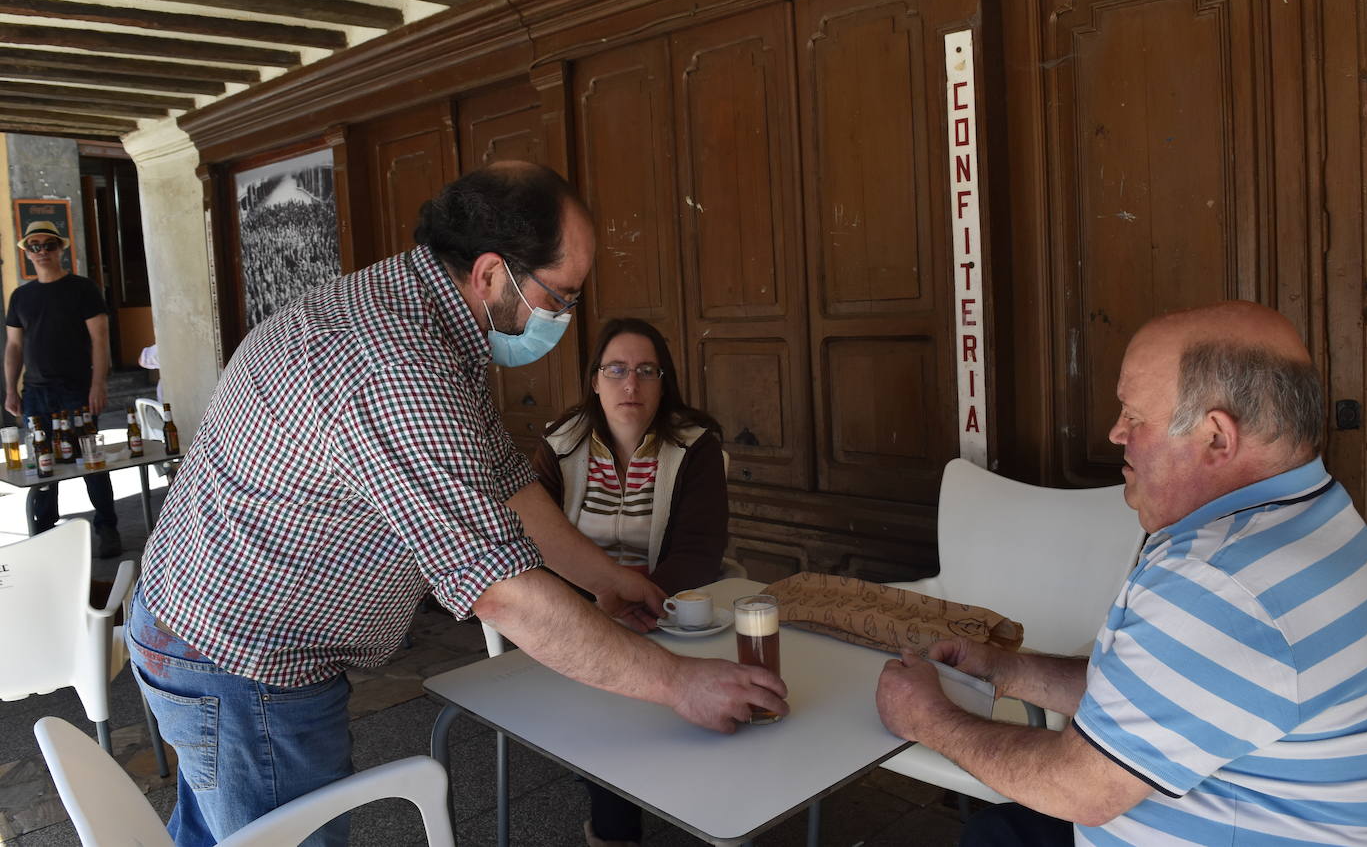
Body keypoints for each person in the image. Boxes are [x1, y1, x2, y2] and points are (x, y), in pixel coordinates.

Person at [127, 162, 787, 847]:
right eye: (560, 296)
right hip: (242, 664)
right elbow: (501, 593)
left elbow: (506, 480)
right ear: (492, 275)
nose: (567, 317)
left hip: (200, 632)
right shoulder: (397, 366)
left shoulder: (422, 314)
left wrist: (604, 579)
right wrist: (682, 684)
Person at [876, 300, 1367, 846]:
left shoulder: (1218, 583)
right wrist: (1005, 669)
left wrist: (926, 720)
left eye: (1135, 417)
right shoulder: (1314, 513)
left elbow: (1081, 790)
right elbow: (1155, 690)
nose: (1116, 434)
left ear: (1216, 438)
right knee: (996, 832)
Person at [533, 317, 729, 847]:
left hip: (665, 610)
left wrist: (647, 607)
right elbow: (533, 543)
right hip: (581, 614)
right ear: (595, 379)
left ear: (663, 382)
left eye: (647, 370)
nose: (631, 384)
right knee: (609, 709)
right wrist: (593, 611)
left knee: (617, 709)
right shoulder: (561, 444)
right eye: (616, 369)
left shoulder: (695, 446)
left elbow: (699, 550)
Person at [3, 219, 120, 556]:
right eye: (34, 246)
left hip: (77, 389)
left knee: (91, 461)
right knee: (43, 462)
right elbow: (13, 346)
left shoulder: (83, 288)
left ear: (60, 249)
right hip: (36, 392)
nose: (42, 251)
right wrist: (10, 389)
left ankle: (107, 526)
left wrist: (98, 384)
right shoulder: (21, 296)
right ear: (27, 252)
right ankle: (44, 531)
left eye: (48, 245)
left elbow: (100, 340)